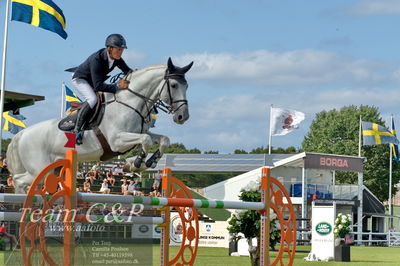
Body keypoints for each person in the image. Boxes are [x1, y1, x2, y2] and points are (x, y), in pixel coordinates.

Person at [70, 34, 132, 144]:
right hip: (80, 79)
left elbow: (128, 71)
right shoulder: (97, 59)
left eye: (122, 50)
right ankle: (76, 130)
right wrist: (117, 86)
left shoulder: (117, 58)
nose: (121, 52)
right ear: (110, 48)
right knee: (92, 99)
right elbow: (98, 86)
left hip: (93, 81)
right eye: (118, 49)